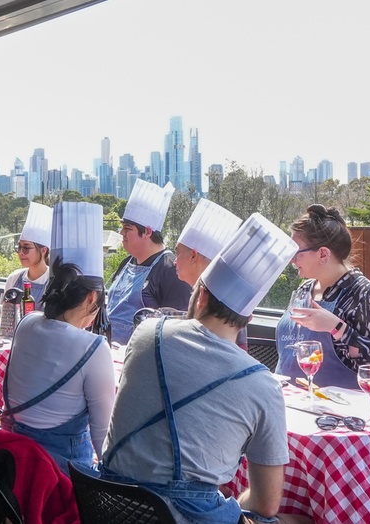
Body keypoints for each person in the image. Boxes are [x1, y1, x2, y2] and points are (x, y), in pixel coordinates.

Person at [102, 213, 311, 524]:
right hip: (181, 517)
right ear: (248, 320)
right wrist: (232, 502)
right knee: (305, 519)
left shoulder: (146, 333)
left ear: (200, 294)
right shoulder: (262, 384)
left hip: (110, 504)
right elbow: (265, 505)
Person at [1, 201, 115, 476]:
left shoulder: (26, 324)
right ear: (91, 298)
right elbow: (103, 440)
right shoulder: (95, 348)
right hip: (60, 480)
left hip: (13, 470)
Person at [275, 205, 370, 389]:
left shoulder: (366, 295)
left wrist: (337, 327)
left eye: (296, 252)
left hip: (338, 413)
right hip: (290, 404)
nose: (291, 259)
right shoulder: (304, 289)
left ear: (323, 253)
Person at [106, 180, 192, 345]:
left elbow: (177, 331)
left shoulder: (171, 271)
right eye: (122, 228)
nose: (122, 233)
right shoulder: (126, 263)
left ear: (147, 232)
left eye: (128, 229)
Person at [172, 198, 247, 350]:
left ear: (193, 256)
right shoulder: (196, 293)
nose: (174, 261)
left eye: (177, 253)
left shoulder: (224, 305)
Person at [4, 202, 52, 310]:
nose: (21, 252)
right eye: (19, 247)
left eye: (26, 248)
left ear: (43, 250)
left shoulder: (54, 282)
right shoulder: (14, 279)